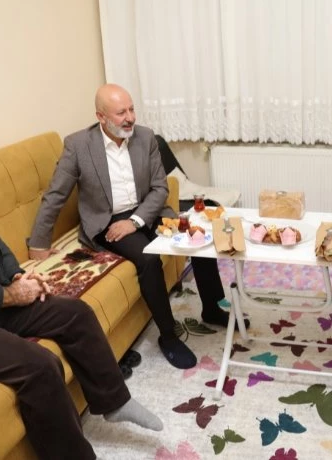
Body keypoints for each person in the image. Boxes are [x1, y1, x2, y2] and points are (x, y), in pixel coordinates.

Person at [0, 111, 163, 460]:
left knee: (75, 314)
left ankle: (114, 401)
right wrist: (8, 296)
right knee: (39, 365)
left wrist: (14, 275)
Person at [29, 84, 244, 370]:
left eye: (131, 109)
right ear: (101, 116)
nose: (130, 117)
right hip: (108, 221)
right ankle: (168, 336)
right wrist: (39, 243)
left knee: (197, 234)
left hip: (147, 211)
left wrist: (135, 221)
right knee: (148, 258)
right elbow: (56, 194)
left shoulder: (145, 137)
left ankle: (212, 307)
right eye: (121, 113)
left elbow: (159, 188)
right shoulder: (78, 145)